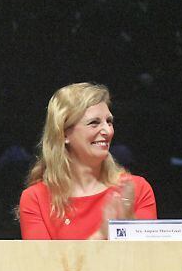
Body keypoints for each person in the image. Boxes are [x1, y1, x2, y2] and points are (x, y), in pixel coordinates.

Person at [18, 82, 156, 240]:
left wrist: (128, 227)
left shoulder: (137, 190)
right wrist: (103, 234)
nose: (108, 131)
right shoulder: (36, 198)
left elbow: (146, 261)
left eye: (109, 122)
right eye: (94, 123)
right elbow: (44, 264)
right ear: (64, 134)